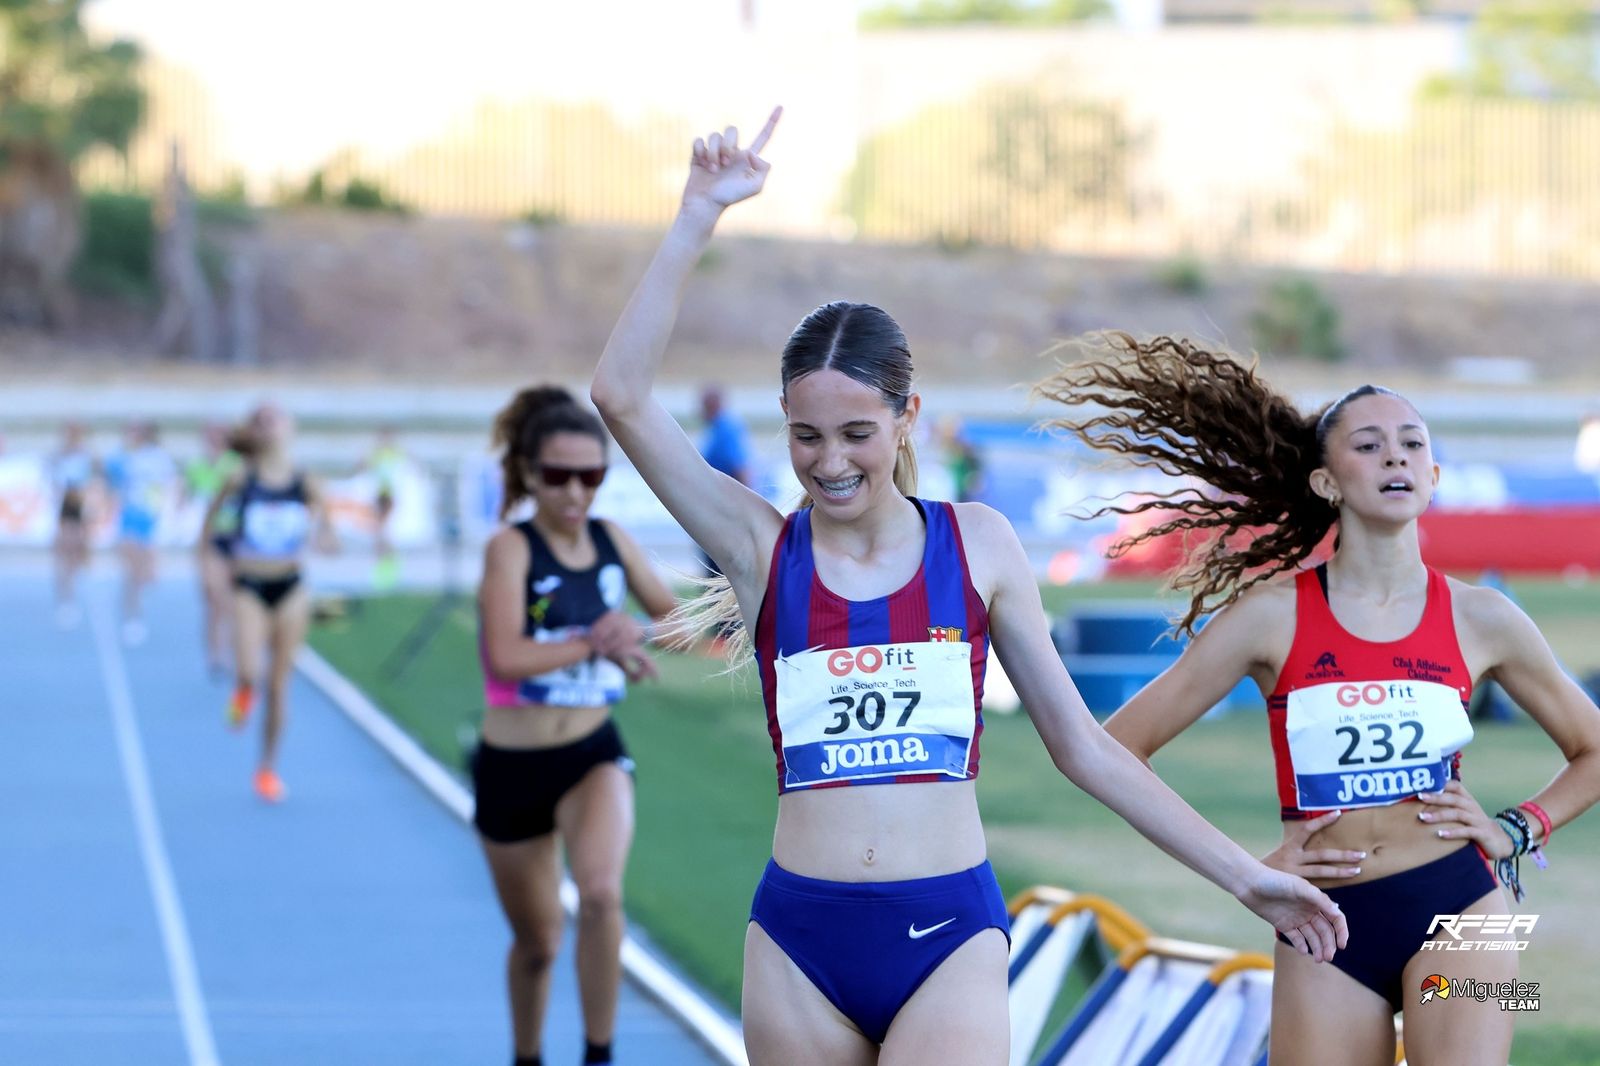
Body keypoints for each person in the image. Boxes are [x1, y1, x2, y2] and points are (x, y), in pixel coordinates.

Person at [588, 110, 1345, 1066]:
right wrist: (697, 213)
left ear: (908, 417)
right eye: (806, 434)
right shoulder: (758, 548)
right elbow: (619, 394)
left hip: (946, 934)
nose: (829, 461)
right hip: (796, 940)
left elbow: (1088, 751)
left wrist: (1246, 878)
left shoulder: (977, 548)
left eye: (856, 432)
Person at [1033, 334, 1600, 1066]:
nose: (1395, 456)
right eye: (1368, 445)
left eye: (1411, 443)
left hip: (1468, 915)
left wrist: (1520, 828)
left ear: (1434, 473)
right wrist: (1245, 870)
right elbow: (1108, 749)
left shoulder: (1484, 616)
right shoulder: (1270, 616)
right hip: (1322, 922)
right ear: (1327, 482)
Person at [474, 386, 675, 1066]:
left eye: (591, 476)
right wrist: (598, 640)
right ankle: (526, 1055)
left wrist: (638, 629)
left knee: (599, 894)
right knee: (538, 946)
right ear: (530, 473)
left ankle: (598, 1055)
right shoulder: (511, 549)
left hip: (592, 754)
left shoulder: (613, 541)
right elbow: (506, 655)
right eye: (559, 476)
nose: (575, 492)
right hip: (511, 768)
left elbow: (679, 624)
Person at [202, 403, 329, 803]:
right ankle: (242, 690)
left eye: (277, 417)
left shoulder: (306, 482)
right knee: (248, 672)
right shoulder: (240, 479)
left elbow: (330, 533)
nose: (271, 424)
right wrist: (212, 571)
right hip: (249, 585)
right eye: (262, 419)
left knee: (279, 685)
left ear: (291, 427)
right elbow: (210, 530)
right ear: (256, 432)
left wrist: (325, 538)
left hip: (291, 586)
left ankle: (267, 768)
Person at [104, 421, 178, 646]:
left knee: (148, 575)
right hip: (130, 518)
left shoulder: (159, 457)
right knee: (131, 571)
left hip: (151, 518)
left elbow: (169, 485)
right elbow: (110, 480)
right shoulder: (122, 456)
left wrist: (168, 513)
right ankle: (132, 616)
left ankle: (138, 601)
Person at [183, 422, 243, 677]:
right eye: (210, 434)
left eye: (218, 434)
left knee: (232, 599)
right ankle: (214, 652)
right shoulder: (196, 465)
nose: (213, 439)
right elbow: (187, 497)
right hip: (209, 538)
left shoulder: (236, 464)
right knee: (212, 597)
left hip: (234, 536)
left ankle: (231, 650)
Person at [49, 421, 98, 628]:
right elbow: (56, 483)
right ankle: (66, 596)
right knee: (64, 549)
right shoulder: (60, 456)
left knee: (80, 548)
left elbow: (90, 483)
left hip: (80, 505)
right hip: (66, 506)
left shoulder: (86, 456)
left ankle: (77, 581)